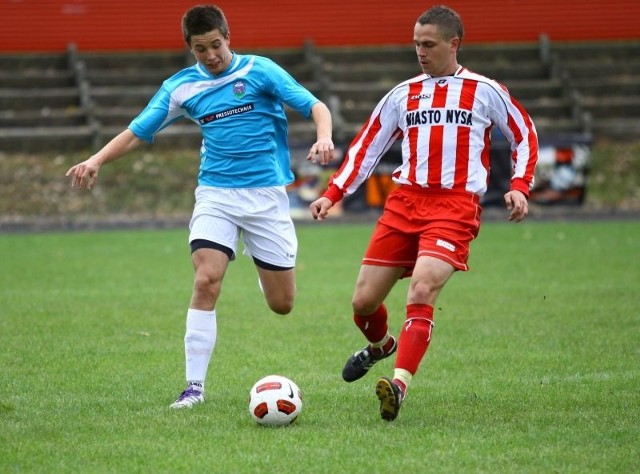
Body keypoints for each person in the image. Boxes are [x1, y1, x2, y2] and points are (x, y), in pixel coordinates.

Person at [66, 4, 334, 409]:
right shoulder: (180, 87)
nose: (210, 55)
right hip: (216, 195)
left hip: (266, 197)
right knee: (207, 279)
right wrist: (96, 160)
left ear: (228, 36)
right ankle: (194, 388)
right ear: (189, 48)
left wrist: (324, 137)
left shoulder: (260, 71)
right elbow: (139, 131)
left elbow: (316, 106)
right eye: (200, 49)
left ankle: (265, 265)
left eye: (215, 45)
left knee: (282, 305)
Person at [310, 4, 538, 421]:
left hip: (453, 207)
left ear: (454, 44)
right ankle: (381, 347)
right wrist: (334, 193)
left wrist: (520, 186)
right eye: (416, 43)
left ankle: (398, 385)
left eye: (428, 44)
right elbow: (367, 146)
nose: (420, 51)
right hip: (404, 203)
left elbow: (524, 133)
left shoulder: (484, 91)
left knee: (422, 290)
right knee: (363, 302)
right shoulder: (402, 94)